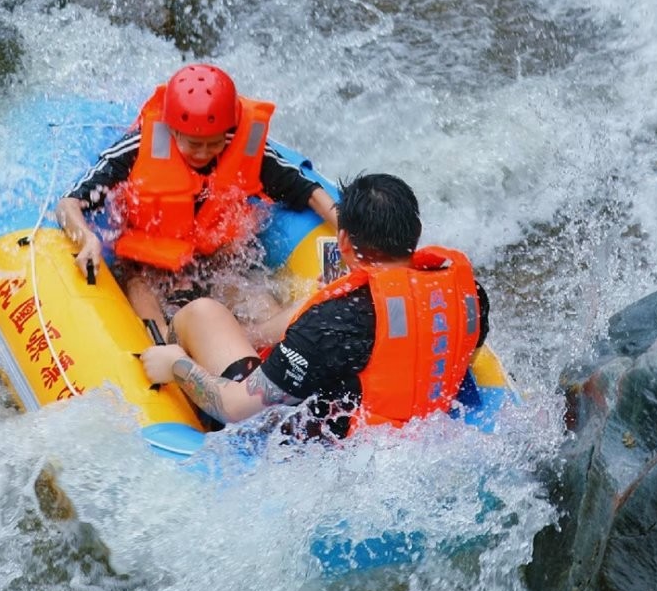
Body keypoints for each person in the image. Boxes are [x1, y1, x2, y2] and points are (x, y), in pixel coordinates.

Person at [139, 173, 488, 438]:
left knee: (204, 314)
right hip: (402, 435)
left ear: (345, 241)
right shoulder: (469, 295)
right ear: (415, 233)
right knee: (264, 303)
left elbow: (234, 408)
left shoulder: (334, 322)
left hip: (319, 453)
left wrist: (178, 365)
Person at [55, 63, 338, 336]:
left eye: (213, 143)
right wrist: (86, 238)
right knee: (140, 290)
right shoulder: (139, 148)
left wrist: (349, 232)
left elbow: (307, 191)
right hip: (149, 267)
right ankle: (168, 351)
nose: (203, 153)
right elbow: (69, 203)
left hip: (218, 264)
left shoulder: (247, 149)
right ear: (174, 130)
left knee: (262, 304)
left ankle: (267, 356)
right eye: (193, 144)